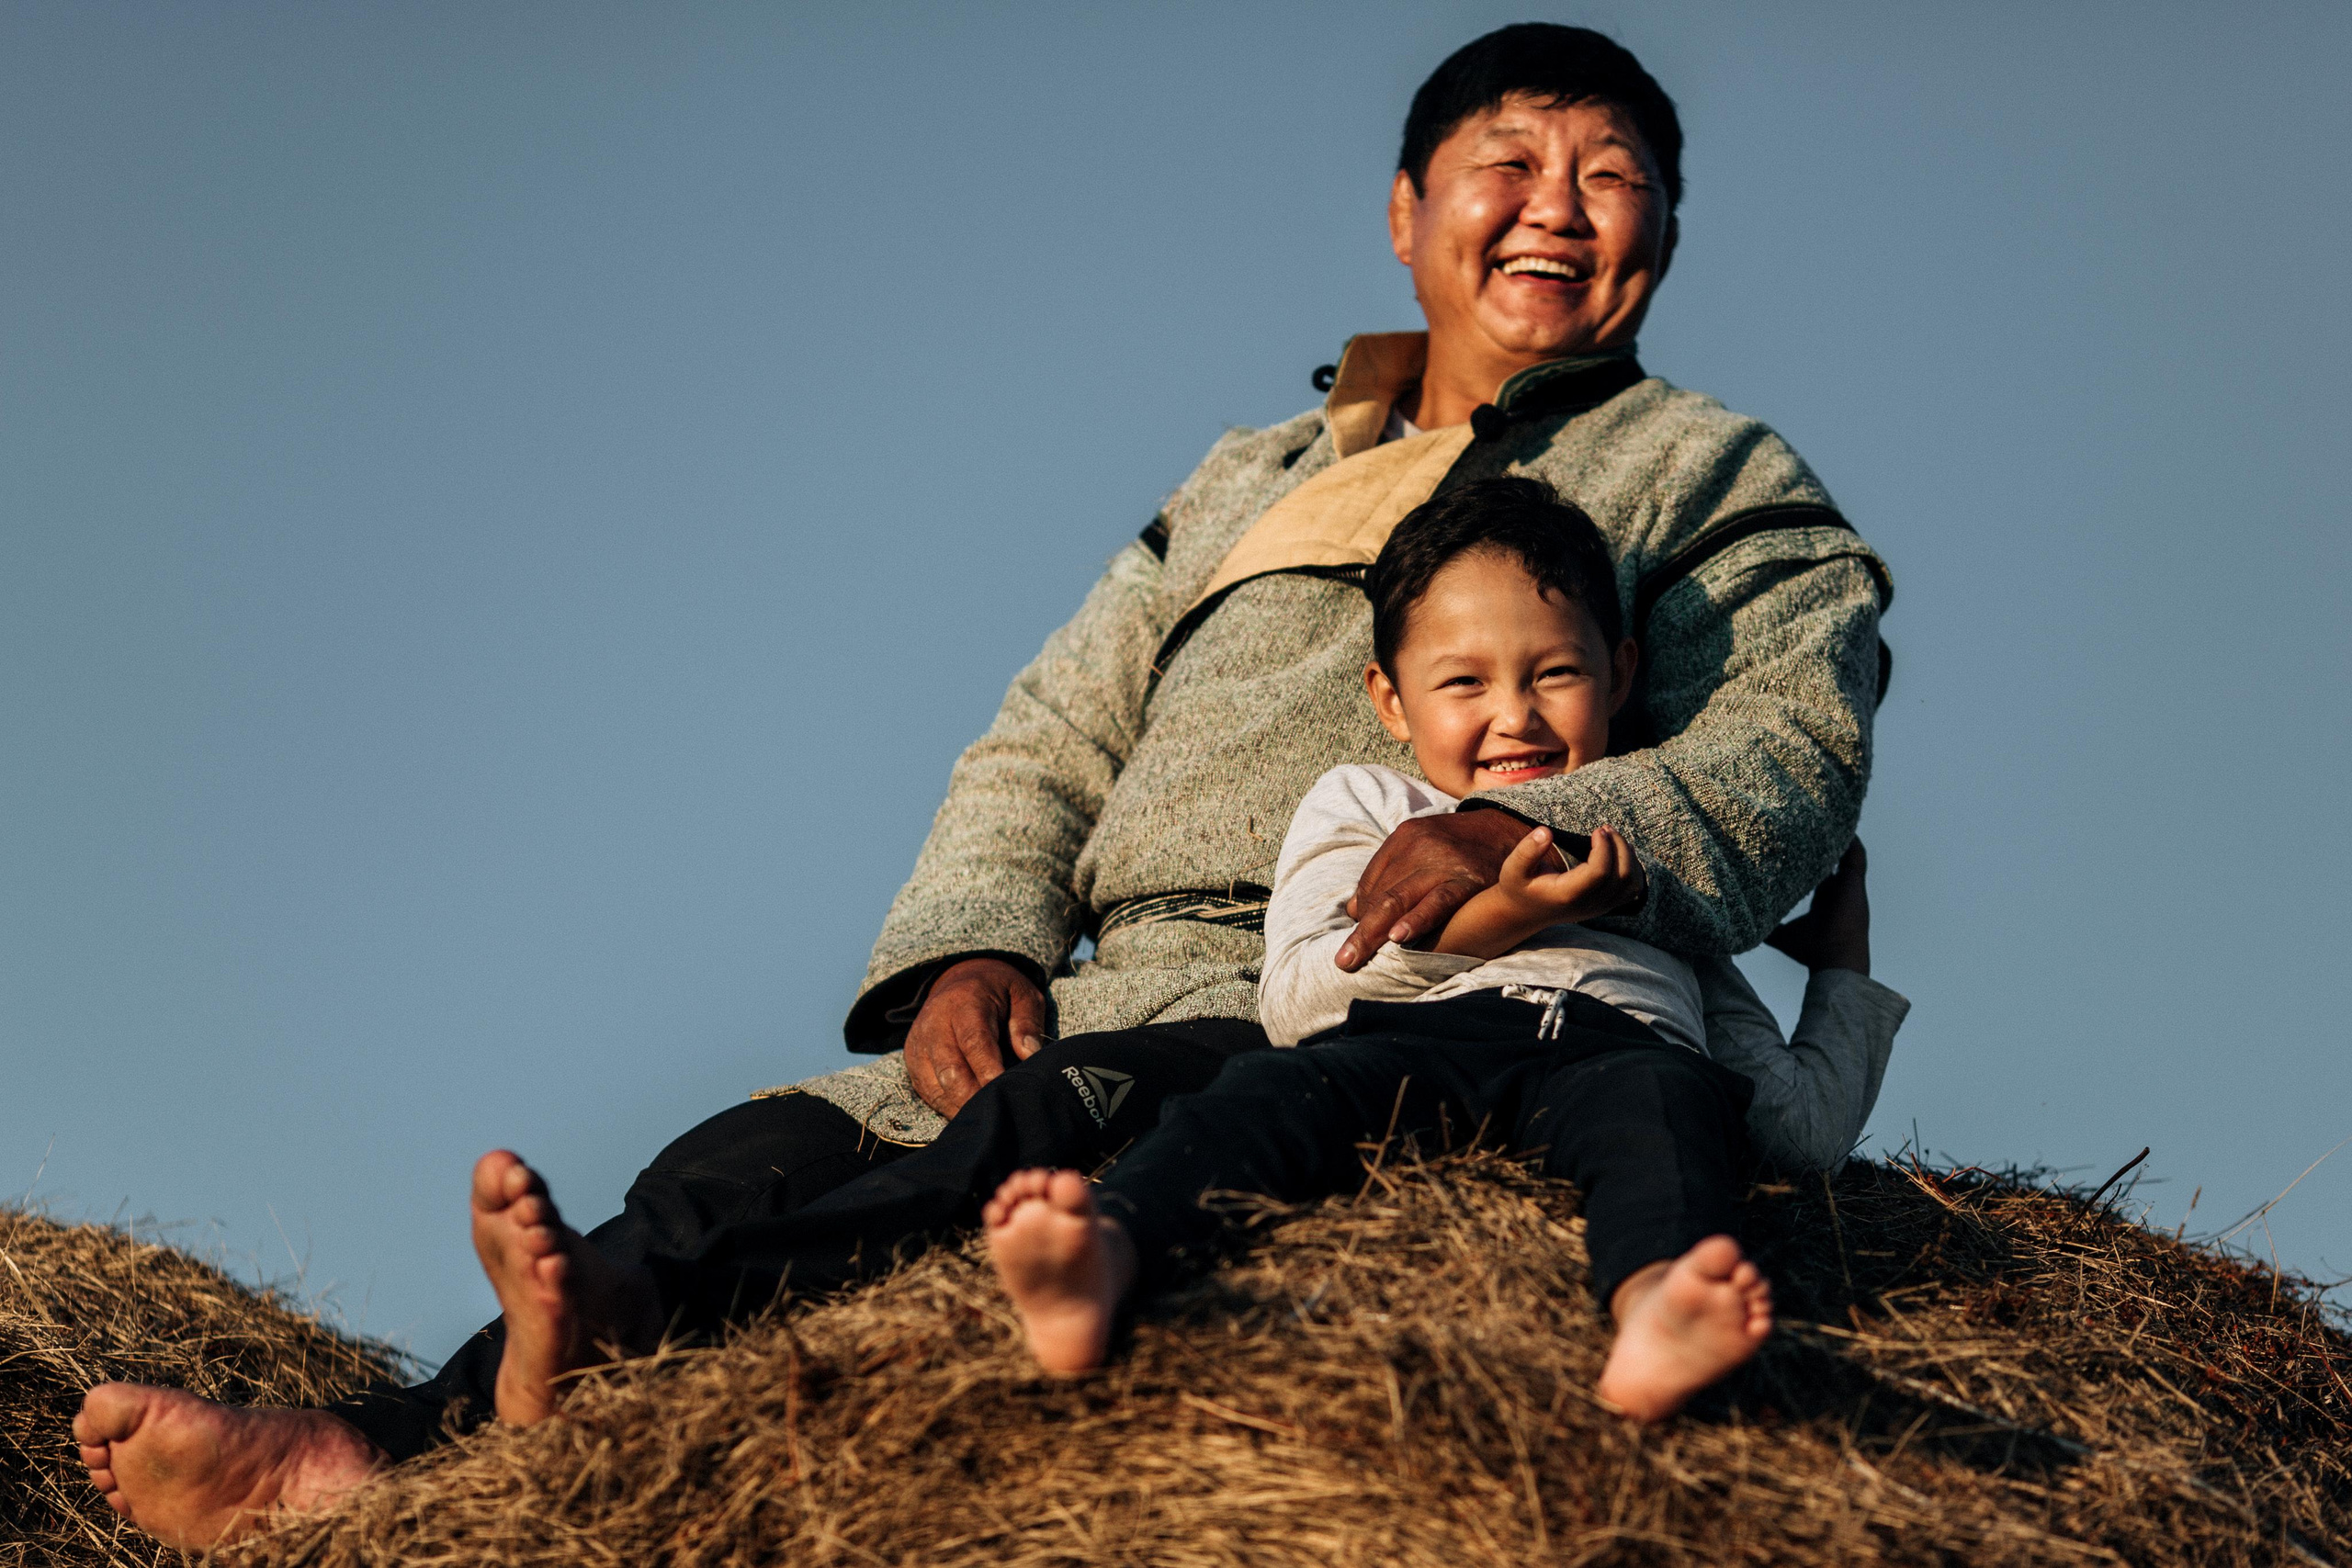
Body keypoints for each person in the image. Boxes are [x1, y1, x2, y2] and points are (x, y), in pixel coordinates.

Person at [75, 22, 1894, 1549]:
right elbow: (1053, 724)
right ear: (1407, 213)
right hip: (1101, 969)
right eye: (1509, 163)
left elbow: (1791, 742)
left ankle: (480, 1408)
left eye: (1608, 176)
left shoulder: (1705, 471)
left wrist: (1526, 824)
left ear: (1663, 232)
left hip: (1336, 984)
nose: (1556, 208)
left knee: (1023, 1139)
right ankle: (393, 1436)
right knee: (756, 1149)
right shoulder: (1251, 472)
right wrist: (971, 942)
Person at [981, 479, 1903, 1419]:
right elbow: (1298, 1001)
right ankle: (1106, 1254)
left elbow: (1794, 1131)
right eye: (1465, 682)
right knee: (1263, 1093)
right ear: (1390, 698)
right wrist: (1492, 921)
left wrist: (1843, 966)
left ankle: (1658, 1306)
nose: (1516, 716)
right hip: (1410, 1043)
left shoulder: (1644, 867)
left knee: (1669, 1113)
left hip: (1619, 1053)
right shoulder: (1369, 804)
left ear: (1620, 674)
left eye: (1555, 673)